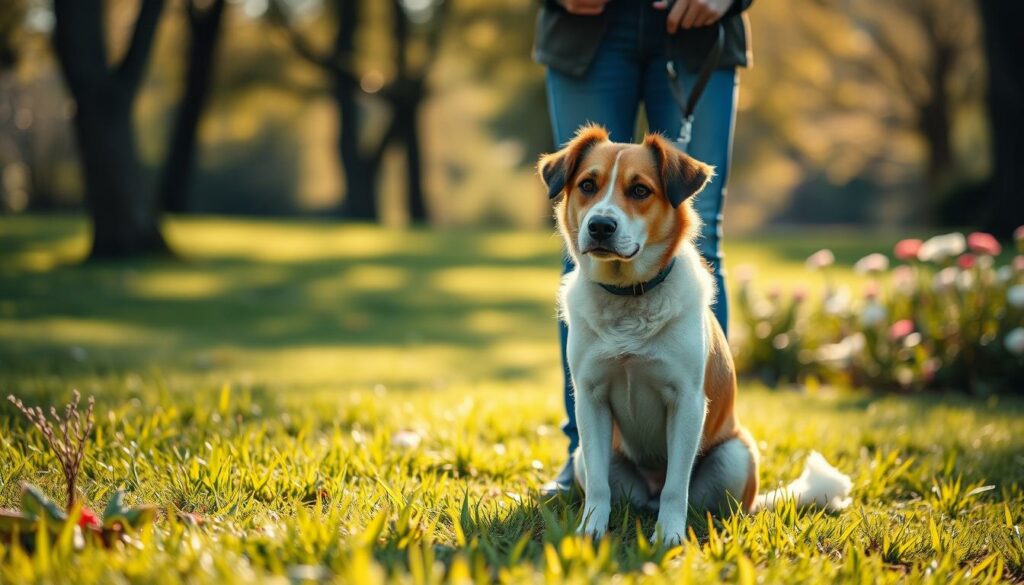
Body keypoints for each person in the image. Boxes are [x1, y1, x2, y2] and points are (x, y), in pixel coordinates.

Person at [533, 0, 754, 496]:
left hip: (700, 23)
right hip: (584, 27)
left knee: (702, 235)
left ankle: (697, 451)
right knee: (587, 250)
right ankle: (587, 459)